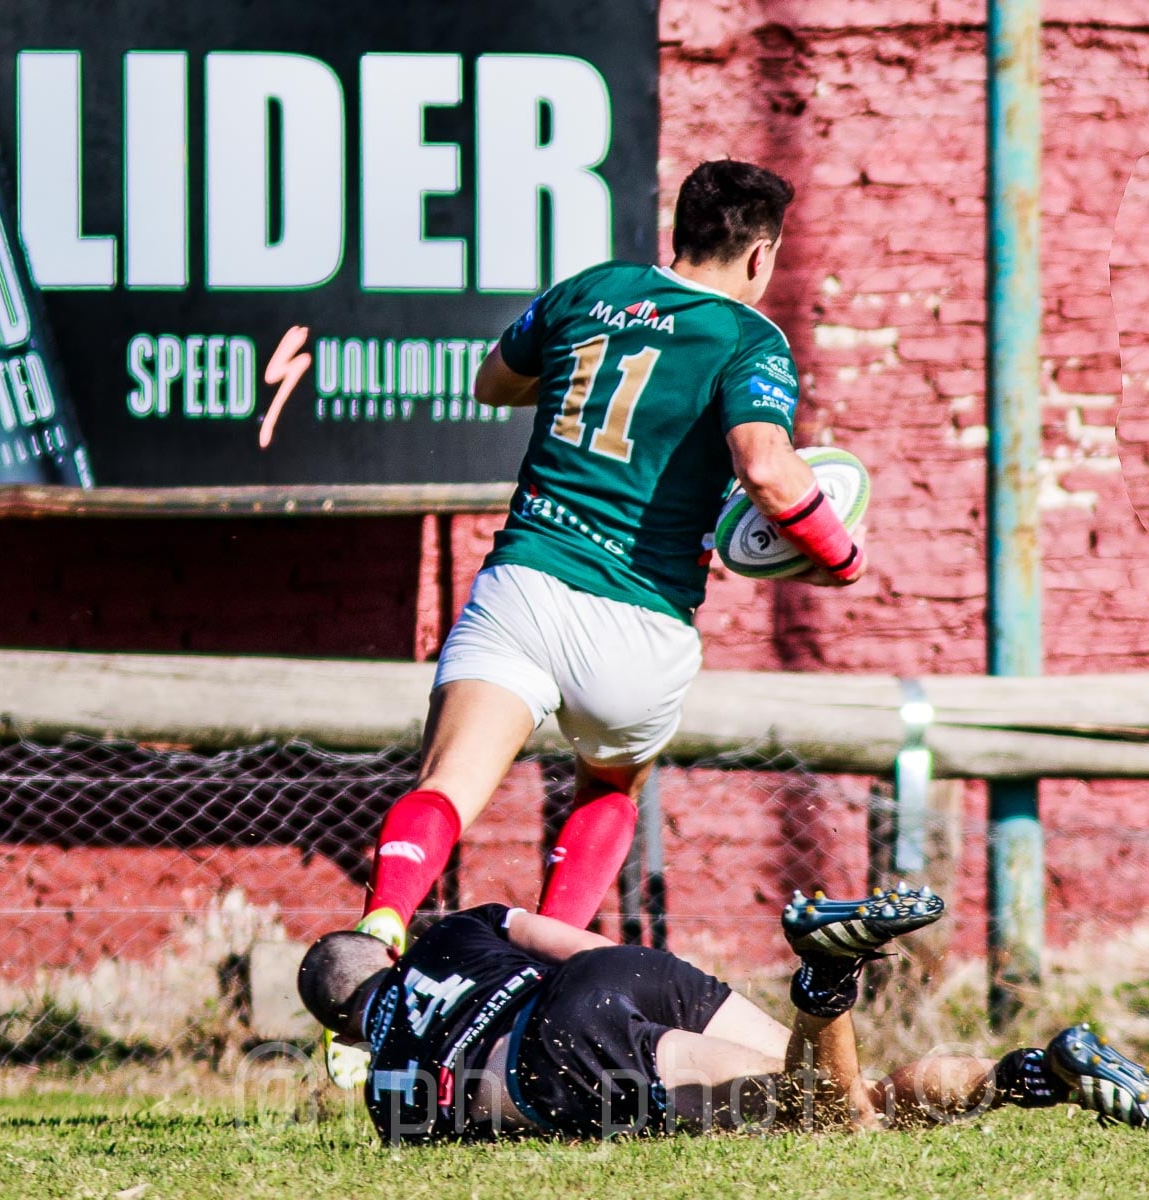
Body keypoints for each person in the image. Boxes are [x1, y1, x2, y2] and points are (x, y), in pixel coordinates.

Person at [327, 158, 869, 1086]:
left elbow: (494, 383)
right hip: (640, 622)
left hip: (525, 585)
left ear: (680, 231)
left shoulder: (589, 291)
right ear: (760, 255)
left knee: (447, 786)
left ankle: (377, 943)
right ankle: (545, 965)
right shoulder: (749, 338)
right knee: (607, 787)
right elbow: (768, 469)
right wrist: (841, 556)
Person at [298, 885, 1149, 1140]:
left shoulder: (384, 1090)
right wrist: (634, 982)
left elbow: (479, 1125)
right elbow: (569, 941)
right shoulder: (456, 929)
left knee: (817, 1117)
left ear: (341, 1030)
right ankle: (1040, 1074)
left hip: (559, 1048)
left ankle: (827, 980)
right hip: (616, 972)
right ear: (388, 953)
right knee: (849, 1100)